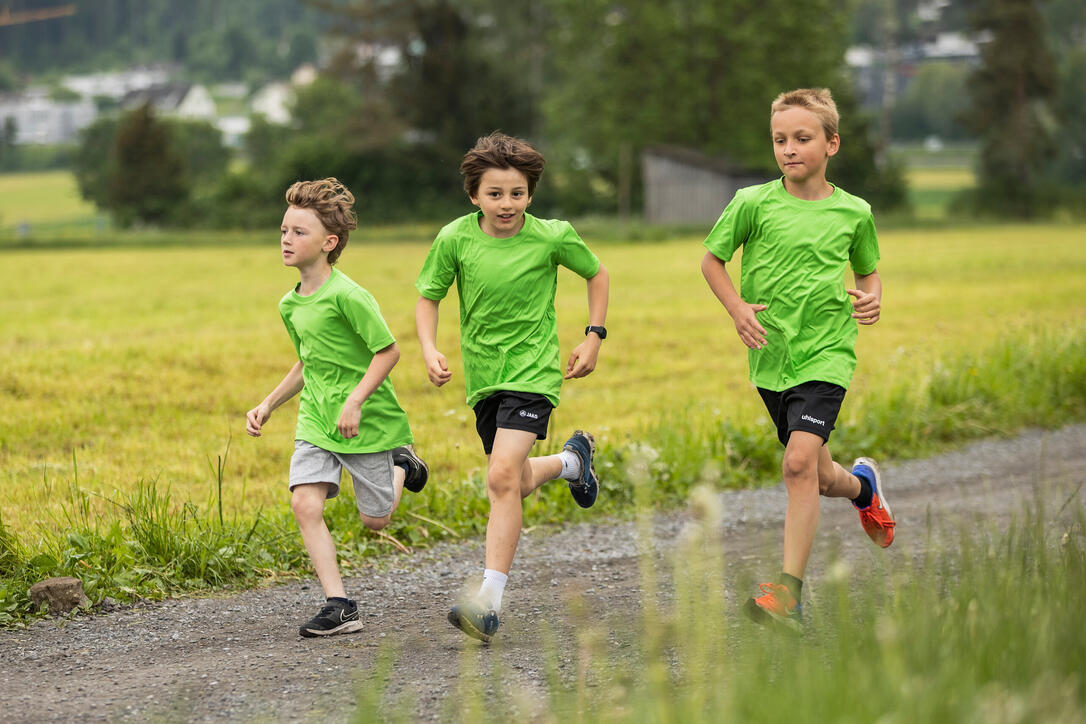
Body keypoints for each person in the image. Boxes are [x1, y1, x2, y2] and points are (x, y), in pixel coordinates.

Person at [700, 88, 896, 632]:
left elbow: (868, 269)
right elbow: (712, 262)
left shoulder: (854, 211)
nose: (789, 149)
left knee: (795, 465)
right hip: (771, 357)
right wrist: (737, 307)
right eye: (780, 140)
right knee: (821, 473)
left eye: (802, 138)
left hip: (827, 354)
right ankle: (863, 489)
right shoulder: (751, 203)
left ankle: (789, 596)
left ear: (831, 143)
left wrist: (872, 293)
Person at [415, 132, 610, 643]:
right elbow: (428, 297)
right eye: (495, 194)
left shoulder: (552, 236)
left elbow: (597, 273)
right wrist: (430, 348)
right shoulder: (455, 239)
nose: (507, 204)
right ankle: (573, 463)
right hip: (484, 380)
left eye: (517, 193)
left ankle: (488, 602)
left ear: (531, 193)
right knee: (515, 481)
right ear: (474, 195)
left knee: (500, 477)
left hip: (533, 374)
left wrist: (593, 336)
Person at [246, 178, 428, 638]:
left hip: (362, 419)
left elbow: (388, 352)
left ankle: (402, 464)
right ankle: (339, 605)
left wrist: (355, 400)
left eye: (299, 232)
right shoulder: (290, 303)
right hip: (317, 418)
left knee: (376, 520)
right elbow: (309, 362)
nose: (287, 239)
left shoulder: (350, 295)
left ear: (329, 243)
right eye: (284, 230)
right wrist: (268, 404)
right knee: (304, 504)